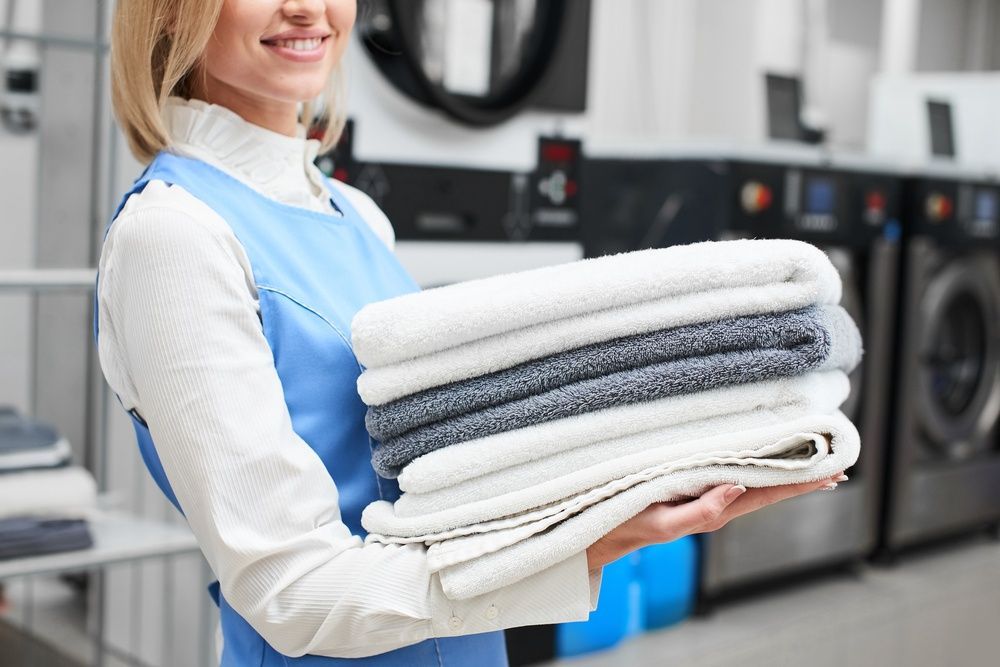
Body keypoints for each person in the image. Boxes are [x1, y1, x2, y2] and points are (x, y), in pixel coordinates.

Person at [94, 1, 846, 664]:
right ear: (168, 10)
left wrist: (628, 485)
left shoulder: (355, 215)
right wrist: (584, 546)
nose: (309, 9)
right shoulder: (174, 236)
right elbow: (293, 591)